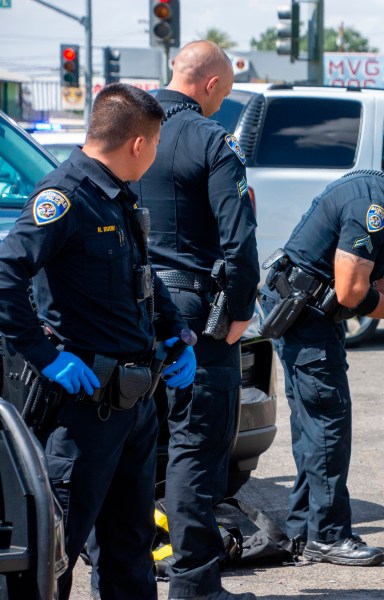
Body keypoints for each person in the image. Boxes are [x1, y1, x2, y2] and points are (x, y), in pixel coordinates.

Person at [0, 83, 196, 600]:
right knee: (55, 549)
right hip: (82, 411)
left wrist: (178, 334)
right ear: (138, 144)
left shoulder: (116, 193)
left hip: (132, 405)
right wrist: (46, 357)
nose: (154, 157)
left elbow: (143, 279)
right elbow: (4, 276)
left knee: (129, 545)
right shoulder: (64, 197)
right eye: (154, 145)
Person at [259, 153, 384, 567]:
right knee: (328, 424)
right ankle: (329, 537)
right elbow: (353, 291)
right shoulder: (370, 202)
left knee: (314, 427)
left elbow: (379, 270)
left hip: (316, 316)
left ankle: (304, 530)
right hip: (305, 316)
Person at [130, 41, 260, 600]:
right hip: (191, 313)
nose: (220, 106)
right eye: (223, 95)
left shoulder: (125, 134)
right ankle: (194, 584)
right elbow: (239, 236)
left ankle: (124, 574)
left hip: (125, 308)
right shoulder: (211, 139)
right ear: (210, 86)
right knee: (195, 446)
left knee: (129, 445)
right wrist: (240, 310)